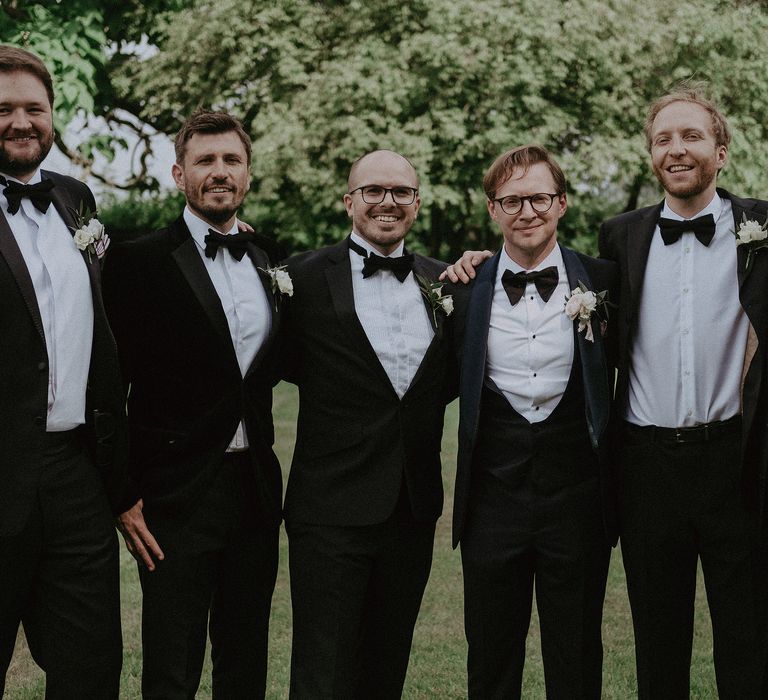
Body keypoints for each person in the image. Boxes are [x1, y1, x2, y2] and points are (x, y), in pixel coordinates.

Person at [102, 110, 284, 698]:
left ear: (248, 175)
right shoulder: (138, 261)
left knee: (244, 660)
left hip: (254, 491)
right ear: (180, 175)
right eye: (205, 161)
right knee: (172, 667)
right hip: (174, 497)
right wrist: (124, 492)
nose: (220, 172)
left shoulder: (267, 260)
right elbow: (109, 384)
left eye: (231, 160)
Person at [598, 85, 767, 699]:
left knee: (749, 642)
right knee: (658, 646)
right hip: (646, 468)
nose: (676, 149)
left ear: (721, 152)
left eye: (692, 136)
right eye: (663, 139)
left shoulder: (763, 228)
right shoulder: (618, 236)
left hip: (737, 462)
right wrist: (474, 265)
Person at [281, 149, 456, 698]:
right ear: (349, 201)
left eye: (401, 192)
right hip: (329, 511)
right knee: (322, 670)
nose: (388, 202)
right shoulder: (301, 278)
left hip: (411, 508)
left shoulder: (445, 283)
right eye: (374, 190)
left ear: (417, 203)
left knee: (387, 668)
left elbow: (446, 380)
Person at [450, 145, 617, 698]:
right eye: (512, 200)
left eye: (539, 198)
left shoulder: (606, 282)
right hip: (492, 502)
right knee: (491, 657)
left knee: (575, 655)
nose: (527, 211)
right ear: (493, 209)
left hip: (577, 499)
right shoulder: (461, 288)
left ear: (561, 203)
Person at [0, 45, 127, 698]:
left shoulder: (77, 199)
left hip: (77, 475)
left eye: (34, 108)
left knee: (91, 670)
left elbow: (109, 305)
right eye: (3, 109)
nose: (21, 121)